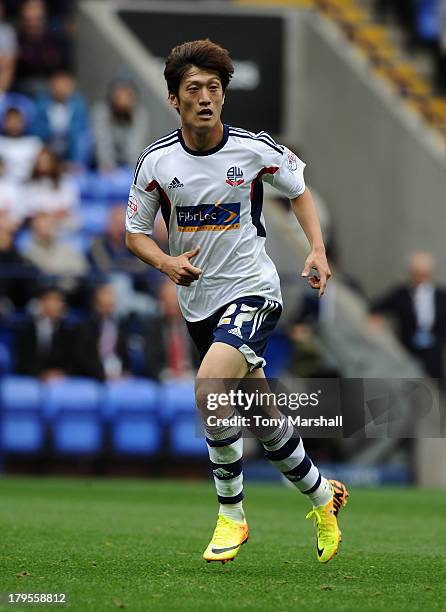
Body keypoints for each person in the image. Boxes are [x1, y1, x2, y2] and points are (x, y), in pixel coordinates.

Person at [125, 40, 348, 565]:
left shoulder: (253, 149)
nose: (205, 97)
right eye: (193, 89)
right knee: (266, 421)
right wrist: (166, 263)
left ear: (224, 96)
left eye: (214, 89)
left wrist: (316, 248)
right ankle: (324, 496)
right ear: (174, 99)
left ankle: (232, 516)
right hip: (197, 302)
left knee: (208, 389)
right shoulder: (156, 163)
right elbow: (134, 233)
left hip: (253, 289)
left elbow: (298, 189)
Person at [370, 250, 446, 378]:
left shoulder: (441, 296)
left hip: (434, 351)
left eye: (424, 275)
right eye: (417, 274)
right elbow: (376, 306)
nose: (421, 279)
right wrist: (376, 318)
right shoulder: (401, 294)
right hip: (407, 349)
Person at [33, 70, 92, 168]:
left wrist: (76, 162)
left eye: (65, 83)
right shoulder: (41, 105)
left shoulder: (79, 107)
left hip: (70, 157)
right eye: (58, 83)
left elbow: (81, 137)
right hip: (47, 155)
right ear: (51, 85)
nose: (61, 88)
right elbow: (36, 135)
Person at [73, 283, 130, 381]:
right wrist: (102, 374)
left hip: (116, 374)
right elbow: (84, 357)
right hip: (91, 376)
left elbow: (123, 353)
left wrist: (125, 371)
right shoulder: (85, 326)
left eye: (112, 295)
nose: (112, 299)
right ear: (96, 301)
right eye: (108, 294)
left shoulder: (119, 325)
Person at [92, 77, 150, 173]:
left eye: (128, 94)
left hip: (128, 168)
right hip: (99, 168)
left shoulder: (139, 114)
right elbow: (101, 144)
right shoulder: (101, 111)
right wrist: (107, 166)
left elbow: (135, 148)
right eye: (120, 92)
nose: (123, 98)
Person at [15, 286, 74, 379]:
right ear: (42, 302)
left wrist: (61, 372)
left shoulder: (68, 330)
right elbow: (22, 358)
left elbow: (71, 359)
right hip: (30, 377)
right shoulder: (26, 329)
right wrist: (40, 374)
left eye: (60, 301)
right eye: (53, 300)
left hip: (59, 379)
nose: (57, 305)